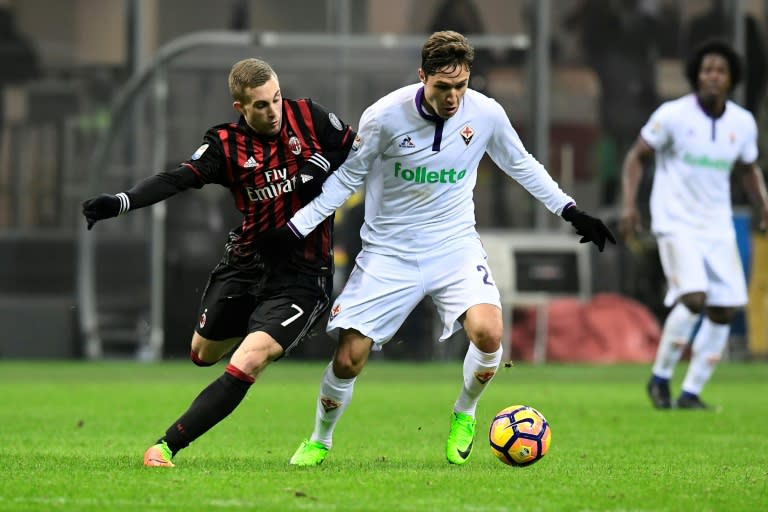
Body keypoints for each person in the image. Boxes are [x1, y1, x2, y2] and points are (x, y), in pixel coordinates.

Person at [263, 31, 615, 466]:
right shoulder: (384, 117)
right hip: (388, 252)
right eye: (442, 87)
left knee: (489, 332)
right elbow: (348, 179)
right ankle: (321, 438)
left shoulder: (485, 114)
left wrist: (572, 211)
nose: (453, 97)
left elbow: (522, 165)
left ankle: (465, 412)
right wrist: (296, 226)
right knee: (350, 358)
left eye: (461, 86)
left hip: (454, 246)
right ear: (422, 77)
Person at [81, 58, 357, 466]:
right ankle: (253, 325)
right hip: (246, 264)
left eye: (276, 99)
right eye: (261, 105)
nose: (273, 111)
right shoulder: (225, 145)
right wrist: (121, 202)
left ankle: (165, 446)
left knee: (250, 358)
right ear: (240, 107)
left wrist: (325, 164)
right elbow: (177, 178)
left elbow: (359, 153)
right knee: (203, 354)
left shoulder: (311, 117)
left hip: (303, 275)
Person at [620, 40, 768, 410]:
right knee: (694, 299)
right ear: (696, 76)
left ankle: (690, 393)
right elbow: (636, 156)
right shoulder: (672, 115)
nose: (713, 76)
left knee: (724, 308)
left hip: (717, 224)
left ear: (731, 78)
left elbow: (748, 169)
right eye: (707, 70)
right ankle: (660, 378)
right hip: (675, 221)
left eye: (721, 70)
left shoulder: (742, 123)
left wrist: (764, 206)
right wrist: (629, 205)